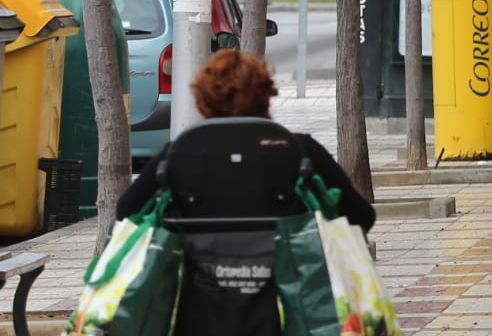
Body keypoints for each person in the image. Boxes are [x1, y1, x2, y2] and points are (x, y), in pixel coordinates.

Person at [117, 49, 374, 231]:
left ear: (203, 99)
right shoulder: (300, 151)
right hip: (285, 284)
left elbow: (126, 212)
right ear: (266, 94)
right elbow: (362, 216)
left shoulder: (178, 154)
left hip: (198, 286)